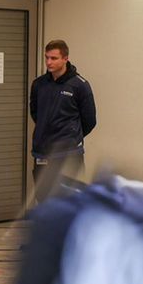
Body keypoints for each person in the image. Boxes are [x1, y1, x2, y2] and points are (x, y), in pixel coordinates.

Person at [29, 39, 97, 202]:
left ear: (65, 58)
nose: (48, 62)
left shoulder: (80, 85)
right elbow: (35, 113)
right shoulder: (39, 84)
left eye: (54, 58)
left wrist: (71, 136)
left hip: (69, 154)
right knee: (44, 198)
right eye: (47, 57)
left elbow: (89, 120)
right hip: (43, 152)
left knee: (69, 200)